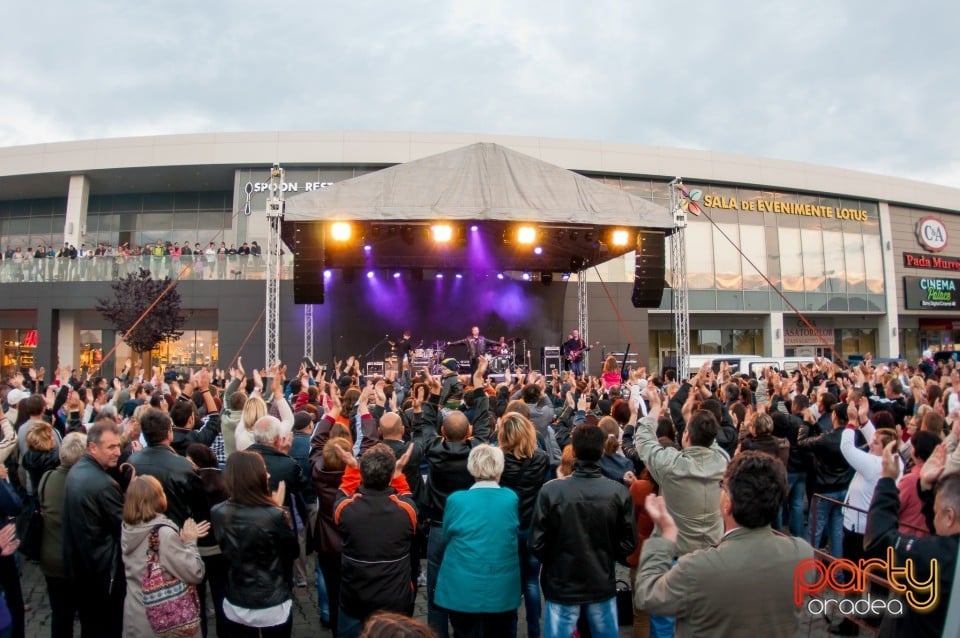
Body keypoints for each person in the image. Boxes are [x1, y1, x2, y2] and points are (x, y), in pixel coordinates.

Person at [635, 451, 814, 637]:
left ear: (728, 503)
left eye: (722, 486)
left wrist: (664, 536)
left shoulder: (698, 568)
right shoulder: (802, 554)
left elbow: (647, 594)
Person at [529, 424, 635, 638]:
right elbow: (628, 542)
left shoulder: (551, 491)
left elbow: (536, 543)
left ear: (574, 452)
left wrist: (555, 560)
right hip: (600, 582)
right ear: (601, 451)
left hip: (562, 584)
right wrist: (607, 554)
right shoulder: (617, 492)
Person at [863, 442, 959, 637]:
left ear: (949, 516)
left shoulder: (937, 558)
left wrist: (887, 482)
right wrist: (925, 489)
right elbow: (943, 530)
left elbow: (879, 541)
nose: (932, 518)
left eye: (936, 512)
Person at [435, 445, 520, 637]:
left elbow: (447, 533)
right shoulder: (509, 498)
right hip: (501, 587)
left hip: (462, 586)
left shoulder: (457, 500)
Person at [212, 451, 300, 637]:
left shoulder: (218, 512)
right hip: (272, 600)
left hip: (236, 597)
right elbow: (292, 551)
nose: (268, 475)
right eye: (264, 471)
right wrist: (280, 512)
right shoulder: (273, 516)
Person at [334, 443, 418, 637]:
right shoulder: (406, 511)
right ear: (390, 477)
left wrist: (352, 468)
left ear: (363, 475)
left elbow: (343, 492)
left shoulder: (345, 510)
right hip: (395, 601)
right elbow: (406, 495)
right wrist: (398, 474)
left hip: (354, 598)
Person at [120, 475, 208, 637]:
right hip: (164, 620)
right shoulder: (163, 533)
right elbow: (195, 573)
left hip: (136, 613)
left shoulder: (128, 527)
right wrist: (189, 543)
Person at [62, 419, 125, 638]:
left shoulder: (78, 470)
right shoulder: (103, 484)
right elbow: (125, 527)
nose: (117, 452)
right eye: (111, 447)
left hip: (84, 570)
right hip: (103, 575)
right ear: (92, 447)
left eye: (118, 445)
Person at [497, 413, 549, 638]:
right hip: (532, 526)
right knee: (531, 581)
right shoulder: (542, 458)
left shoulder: (498, 460)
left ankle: (509, 630)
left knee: (510, 583)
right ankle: (534, 630)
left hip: (508, 527)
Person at [39, 432, 86, 638]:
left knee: (60, 614)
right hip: (80, 560)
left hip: (51, 558)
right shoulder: (87, 484)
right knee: (88, 614)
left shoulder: (47, 479)